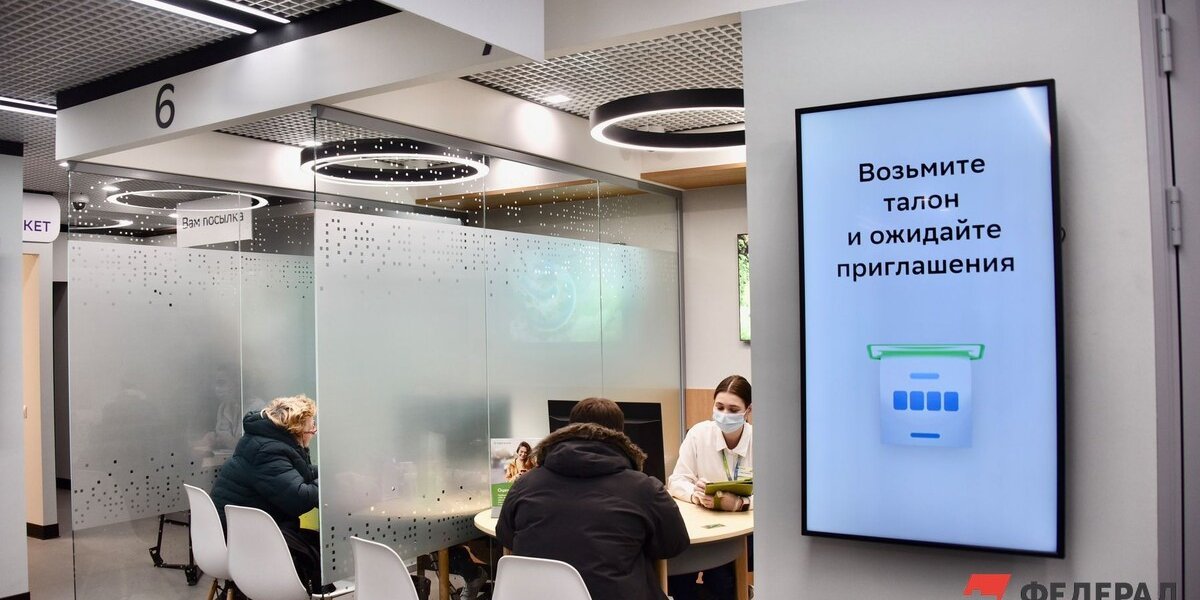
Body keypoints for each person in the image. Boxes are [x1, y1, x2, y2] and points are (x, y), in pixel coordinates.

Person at [497, 397, 690, 600]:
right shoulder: (645, 489)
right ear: (621, 436)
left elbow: (506, 537)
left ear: (568, 429)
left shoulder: (525, 484)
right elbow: (673, 544)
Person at [210, 394, 327, 594]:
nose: (314, 432)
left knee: (314, 543)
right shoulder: (268, 451)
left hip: (236, 531)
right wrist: (330, 482)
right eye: (312, 428)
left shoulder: (263, 440)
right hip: (245, 540)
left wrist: (328, 471)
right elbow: (299, 499)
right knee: (321, 549)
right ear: (297, 430)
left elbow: (297, 473)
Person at [667, 375, 753, 600]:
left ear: (748, 410)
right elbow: (676, 481)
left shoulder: (759, 441)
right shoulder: (699, 434)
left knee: (722, 579)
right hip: (702, 523)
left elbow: (776, 495)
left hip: (743, 530)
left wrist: (740, 503)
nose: (724, 414)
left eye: (733, 409)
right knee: (678, 576)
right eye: (719, 407)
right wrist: (694, 495)